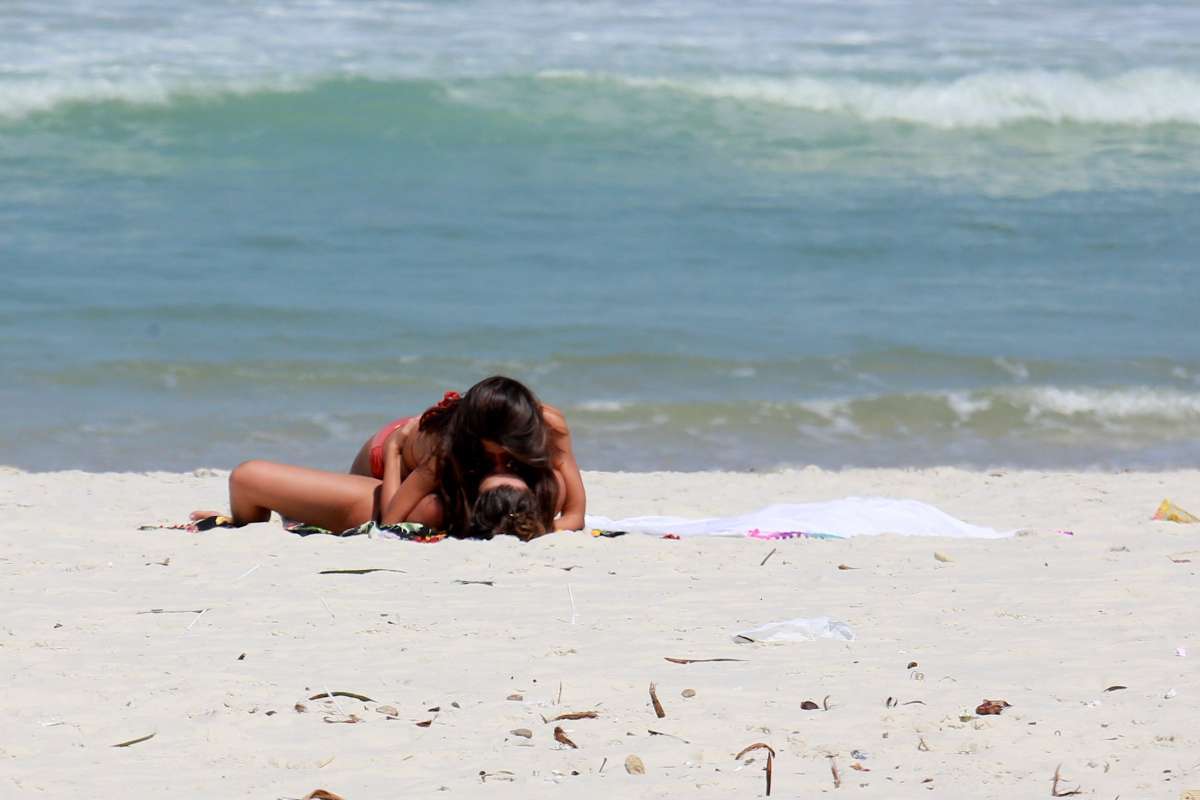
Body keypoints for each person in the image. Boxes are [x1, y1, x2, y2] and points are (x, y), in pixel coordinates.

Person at [192, 377, 586, 539]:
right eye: (497, 452)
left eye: (511, 457)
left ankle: (297, 512)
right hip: (387, 451)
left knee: (342, 505)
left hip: (411, 461)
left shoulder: (539, 436)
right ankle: (279, 515)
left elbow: (575, 515)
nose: (504, 459)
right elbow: (392, 519)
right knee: (344, 501)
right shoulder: (448, 450)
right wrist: (396, 452)